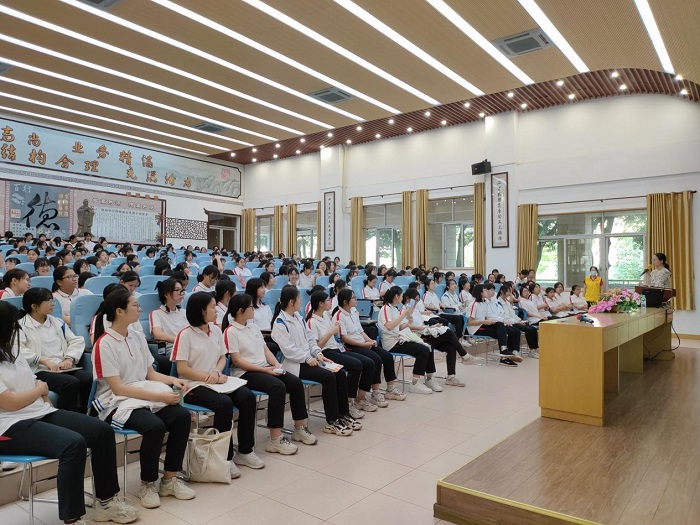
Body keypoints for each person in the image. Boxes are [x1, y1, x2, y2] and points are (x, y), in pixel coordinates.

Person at [0, 301, 140, 525]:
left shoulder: (11, 351)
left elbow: (34, 380)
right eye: (12, 326)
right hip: (8, 426)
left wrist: (45, 399)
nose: (16, 330)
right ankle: (73, 519)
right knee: (73, 444)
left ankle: (106, 502)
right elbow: (12, 403)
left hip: (38, 411)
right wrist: (41, 390)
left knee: (101, 431)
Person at [92, 288, 196, 509]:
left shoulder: (136, 336)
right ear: (119, 311)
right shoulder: (104, 343)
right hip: (116, 401)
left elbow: (150, 373)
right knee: (154, 426)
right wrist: (159, 395)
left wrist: (173, 380)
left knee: (182, 416)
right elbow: (118, 388)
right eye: (135, 305)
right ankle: (148, 484)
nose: (140, 308)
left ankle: (169, 479)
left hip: (143, 393)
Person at [172, 292, 262, 479]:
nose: (216, 310)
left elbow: (222, 358)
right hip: (193, 385)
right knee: (224, 404)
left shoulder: (216, 330)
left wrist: (216, 373)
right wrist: (208, 377)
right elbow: (182, 368)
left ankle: (245, 451)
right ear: (201, 310)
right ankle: (224, 458)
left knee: (247, 397)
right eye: (213, 307)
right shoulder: (185, 335)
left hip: (217, 380)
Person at [224, 294, 312, 455]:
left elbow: (265, 350)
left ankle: (300, 428)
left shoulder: (253, 327)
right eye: (251, 307)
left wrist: (276, 365)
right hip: (245, 373)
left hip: (264, 367)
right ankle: (275, 439)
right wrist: (265, 370)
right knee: (277, 387)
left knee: (294, 382)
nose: (253, 309)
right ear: (241, 311)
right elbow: (237, 361)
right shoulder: (231, 331)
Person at [271, 286, 353, 437]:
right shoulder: (280, 323)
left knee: (340, 372)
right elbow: (289, 350)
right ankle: (332, 421)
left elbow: (310, 340)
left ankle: (343, 414)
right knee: (328, 377)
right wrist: (308, 358)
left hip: (310, 359)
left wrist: (318, 354)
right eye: (299, 298)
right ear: (291, 302)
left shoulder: (298, 317)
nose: (301, 301)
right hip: (295, 364)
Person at [19, 288, 92, 412]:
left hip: (62, 368)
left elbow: (76, 340)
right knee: (70, 383)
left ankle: (85, 414)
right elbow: (18, 350)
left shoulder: (57, 322)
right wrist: (44, 361)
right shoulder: (21, 326)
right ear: (34, 306)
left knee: (89, 379)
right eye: (48, 301)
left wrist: (69, 358)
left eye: (52, 300)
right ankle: (67, 418)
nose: (52, 304)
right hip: (39, 370)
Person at [307, 291, 375, 419]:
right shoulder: (312, 322)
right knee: (355, 365)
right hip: (325, 353)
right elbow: (316, 347)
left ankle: (358, 400)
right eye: (328, 300)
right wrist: (331, 332)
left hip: (337, 349)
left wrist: (335, 329)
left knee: (367, 362)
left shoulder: (326, 316)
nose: (330, 302)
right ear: (320, 304)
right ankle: (349, 403)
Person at [333, 288, 406, 402]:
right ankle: (374, 394)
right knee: (375, 359)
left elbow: (361, 331)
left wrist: (370, 341)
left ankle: (390, 390)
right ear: (345, 302)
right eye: (353, 298)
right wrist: (363, 344)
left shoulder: (353, 312)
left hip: (362, 342)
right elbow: (344, 338)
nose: (356, 299)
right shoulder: (339, 315)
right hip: (351, 346)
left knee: (387, 356)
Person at [401, 289, 468, 387]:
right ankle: (464, 355)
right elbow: (409, 327)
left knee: (450, 347)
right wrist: (427, 328)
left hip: (424, 332)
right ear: (408, 299)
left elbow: (421, 323)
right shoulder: (404, 311)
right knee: (448, 332)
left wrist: (431, 327)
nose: (416, 302)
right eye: (415, 300)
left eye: (417, 300)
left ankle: (451, 377)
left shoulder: (415, 310)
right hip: (418, 336)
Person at [378, 286, 438, 394]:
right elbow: (389, 326)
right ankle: (415, 383)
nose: (402, 298)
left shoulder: (394, 308)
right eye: (401, 296)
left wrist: (408, 323)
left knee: (428, 346)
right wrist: (404, 315)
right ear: (396, 296)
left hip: (399, 338)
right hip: (391, 343)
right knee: (423, 350)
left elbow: (399, 327)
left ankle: (429, 378)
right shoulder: (386, 308)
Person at [466, 284, 520, 367]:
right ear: (480, 292)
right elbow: (469, 322)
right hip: (475, 329)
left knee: (501, 326)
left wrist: (498, 321)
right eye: (485, 290)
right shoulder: (474, 304)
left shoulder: (484, 303)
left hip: (483, 325)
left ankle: (504, 352)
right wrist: (484, 321)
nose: (487, 291)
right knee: (502, 333)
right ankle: (504, 356)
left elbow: (489, 316)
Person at [149, 278, 189, 371]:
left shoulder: (184, 312)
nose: (181, 293)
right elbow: (158, 334)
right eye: (177, 290)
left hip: (188, 347)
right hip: (172, 349)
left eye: (182, 290)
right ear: (166, 294)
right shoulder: (156, 314)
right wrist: (180, 342)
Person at [493, 284, 539, 358]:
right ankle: (515, 350)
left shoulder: (507, 302)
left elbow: (512, 314)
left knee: (532, 329)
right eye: (508, 292)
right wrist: (516, 321)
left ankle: (534, 349)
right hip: (508, 322)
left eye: (510, 292)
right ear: (502, 291)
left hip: (513, 321)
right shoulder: (498, 303)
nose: (509, 294)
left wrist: (519, 320)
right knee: (522, 330)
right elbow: (504, 317)